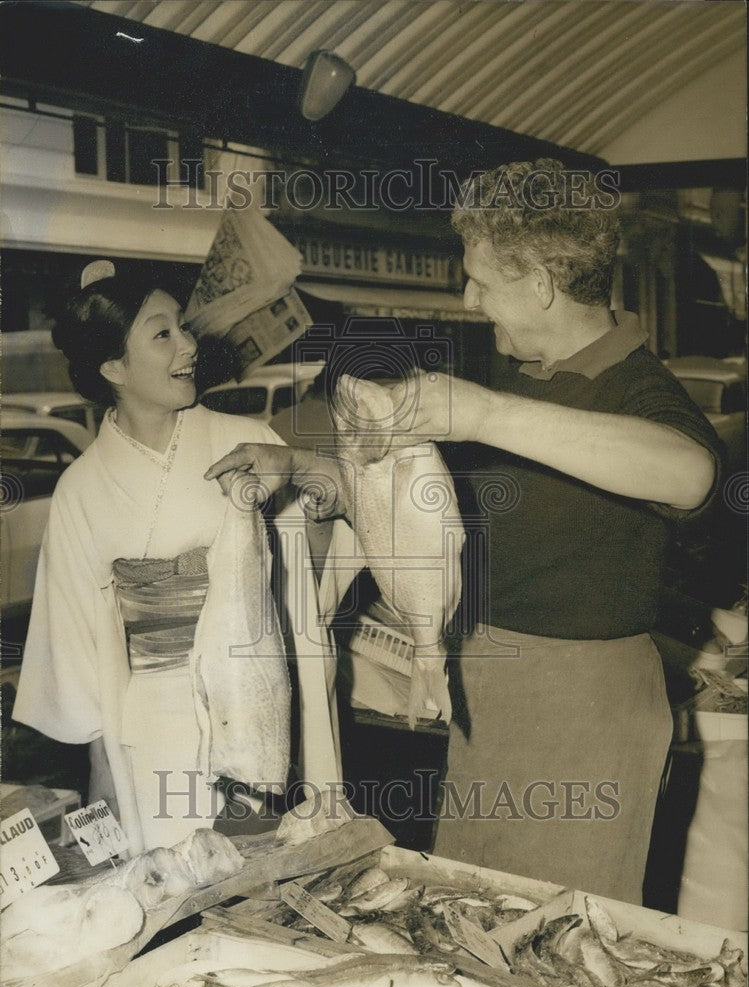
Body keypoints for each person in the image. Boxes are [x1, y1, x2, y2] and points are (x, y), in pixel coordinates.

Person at [207, 158, 722, 904]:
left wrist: (482, 414)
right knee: (474, 913)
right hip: (488, 689)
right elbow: (415, 516)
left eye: (480, 280)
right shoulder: (523, 372)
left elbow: (688, 474)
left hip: (581, 711)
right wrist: (292, 466)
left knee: (558, 936)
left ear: (540, 283)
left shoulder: (636, 388)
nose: (468, 298)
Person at [12, 266, 335, 855]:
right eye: (162, 335)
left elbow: (304, 591)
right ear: (114, 368)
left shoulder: (247, 440)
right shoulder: (81, 490)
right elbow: (77, 644)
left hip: (251, 705)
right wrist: (102, 769)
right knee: (169, 891)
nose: (188, 345)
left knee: (257, 879)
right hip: (148, 724)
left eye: (182, 329)